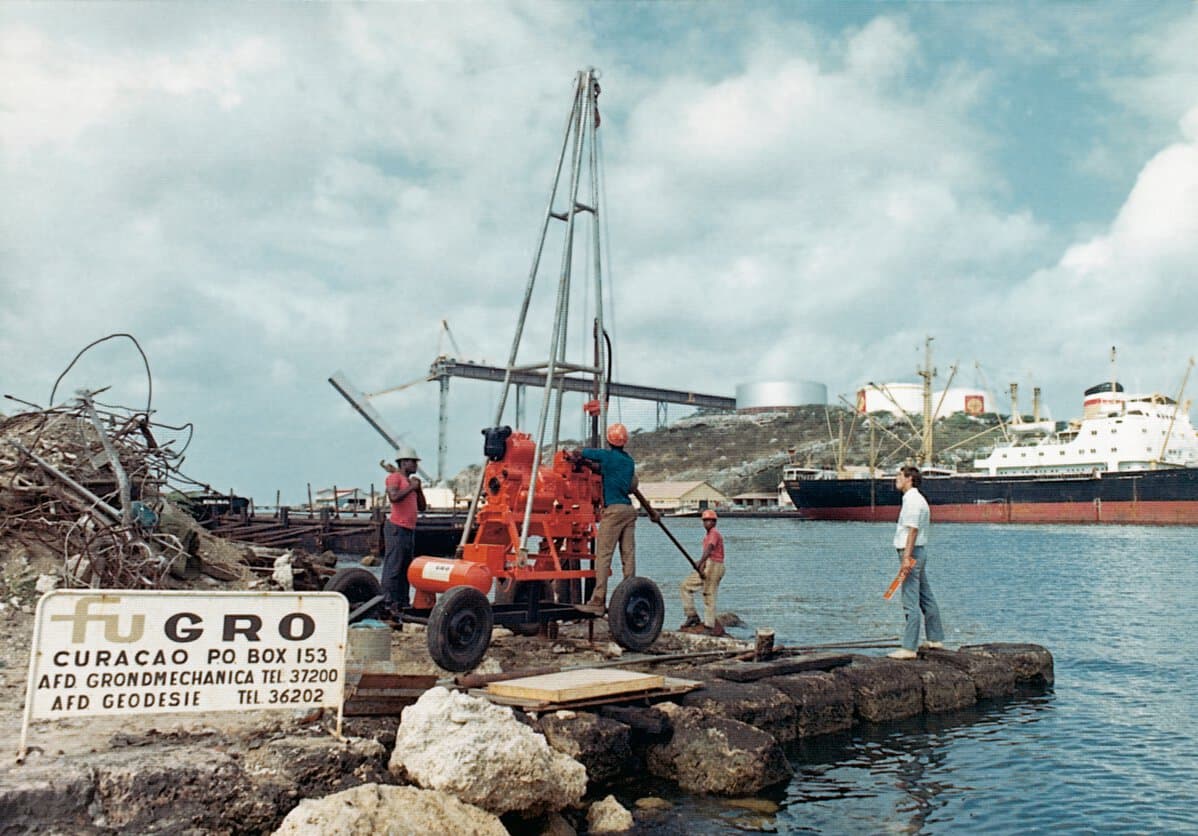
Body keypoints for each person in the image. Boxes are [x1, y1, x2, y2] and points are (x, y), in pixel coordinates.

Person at [572, 423, 657, 615]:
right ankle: (631, 595)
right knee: (628, 555)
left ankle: (598, 601)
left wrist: (576, 456)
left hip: (614, 511)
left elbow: (582, 453)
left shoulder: (607, 456)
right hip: (629, 510)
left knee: (603, 556)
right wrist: (589, 465)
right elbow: (605, 471)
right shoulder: (628, 462)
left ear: (609, 440)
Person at [888, 465, 945, 659]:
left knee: (909, 599)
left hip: (910, 552)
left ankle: (909, 648)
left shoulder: (912, 501)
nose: (896, 479)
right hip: (919, 551)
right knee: (925, 595)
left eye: (899, 476)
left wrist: (906, 558)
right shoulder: (919, 499)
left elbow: (912, 530)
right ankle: (935, 639)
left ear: (909, 479)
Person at [382, 445, 426, 616]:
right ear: (403, 462)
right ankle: (387, 603)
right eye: (413, 462)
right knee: (393, 568)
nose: (415, 465)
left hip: (408, 529)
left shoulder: (410, 483)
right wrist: (411, 488)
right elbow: (393, 497)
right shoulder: (394, 478)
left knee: (405, 569)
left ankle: (402, 603)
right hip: (396, 527)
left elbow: (422, 507)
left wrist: (418, 489)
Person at [679, 509, 725, 635]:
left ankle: (709, 625)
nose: (707, 523)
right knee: (685, 586)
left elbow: (710, 550)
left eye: (710, 521)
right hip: (708, 564)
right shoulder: (707, 536)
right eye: (705, 521)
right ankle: (691, 615)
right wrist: (701, 565)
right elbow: (707, 553)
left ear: (714, 522)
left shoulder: (714, 534)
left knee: (709, 594)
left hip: (715, 565)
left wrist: (700, 562)